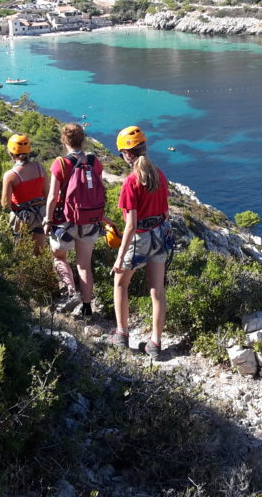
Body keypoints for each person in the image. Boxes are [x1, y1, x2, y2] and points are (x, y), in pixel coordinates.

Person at [108, 125, 173, 357]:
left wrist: (119, 256)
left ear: (127, 154)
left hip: (140, 239)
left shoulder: (131, 182)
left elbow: (131, 225)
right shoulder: (159, 175)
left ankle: (122, 334)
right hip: (159, 236)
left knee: (120, 283)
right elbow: (165, 214)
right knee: (157, 290)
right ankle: (155, 344)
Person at [44, 123, 103, 317]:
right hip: (90, 220)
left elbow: (53, 197)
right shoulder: (94, 161)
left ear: (64, 140)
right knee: (84, 265)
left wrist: (47, 219)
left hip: (65, 221)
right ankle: (87, 307)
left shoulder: (60, 163)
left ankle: (70, 291)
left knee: (59, 256)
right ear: (83, 140)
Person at [1, 133, 48, 252]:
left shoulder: (10, 175)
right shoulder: (40, 168)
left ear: (11, 153)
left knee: (21, 254)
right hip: (40, 216)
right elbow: (47, 194)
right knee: (39, 253)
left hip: (22, 218)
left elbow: (5, 204)